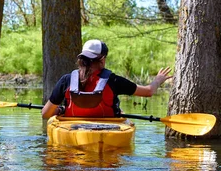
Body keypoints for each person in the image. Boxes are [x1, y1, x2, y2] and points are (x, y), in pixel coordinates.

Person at [41, 39, 172, 119]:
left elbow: (45, 113)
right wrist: (158, 80)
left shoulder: (67, 80)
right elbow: (148, 91)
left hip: (72, 128)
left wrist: (59, 111)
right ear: (102, 59)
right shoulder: (113, 80)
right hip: (108, 128)